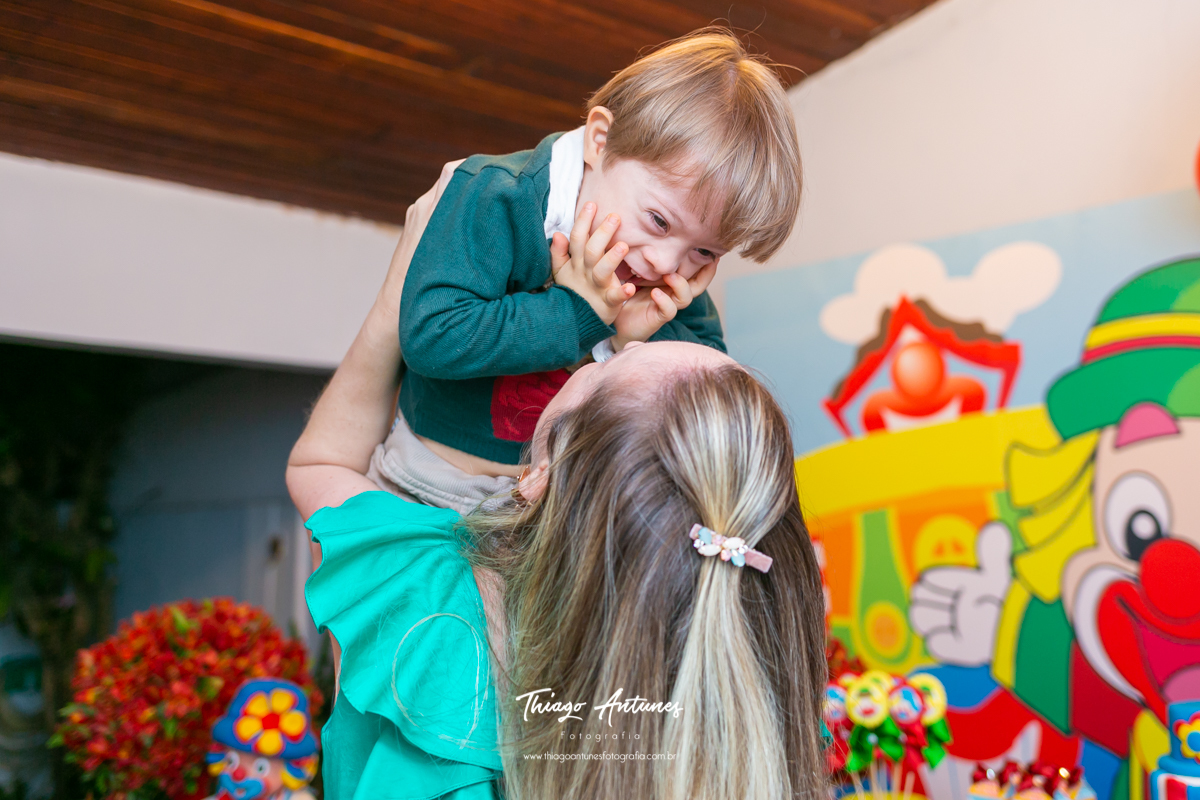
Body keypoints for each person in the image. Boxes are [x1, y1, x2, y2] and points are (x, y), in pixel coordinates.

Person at [287, 226, 826, 799]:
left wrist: (404, 287)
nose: (630, 341)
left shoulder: (428, 604)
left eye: (612, 365)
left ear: (542, 475)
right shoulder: (766, 716)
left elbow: (319, 464)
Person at [367, 29, 803, 514]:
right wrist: (576, 311)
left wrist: (627, 341)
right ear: (600, 141)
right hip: (432, 488)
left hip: (555, 512)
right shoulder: (498, 197)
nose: (666, 263)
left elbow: (699, 411)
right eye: (658, 220)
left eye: (705, 252)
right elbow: (431, 334)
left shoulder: (666, 282)